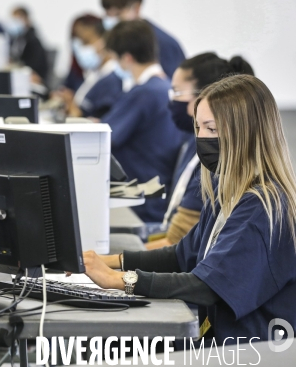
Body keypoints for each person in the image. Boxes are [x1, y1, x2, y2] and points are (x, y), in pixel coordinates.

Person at [82, 74, 296, 345]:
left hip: (249, 351)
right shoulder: (226, 191)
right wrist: (106, 261)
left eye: (212, 129)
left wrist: (119, 280)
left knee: (105, 346)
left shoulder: (262, 208)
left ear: (247, 134)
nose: (202, 138)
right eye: (198, 128)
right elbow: (183, 255)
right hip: (218, 339)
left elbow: (207, 287)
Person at [146, 53, 255, 249]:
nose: (172, 102)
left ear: (204, 95)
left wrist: (117, 264)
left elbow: (177, 244)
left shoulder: (214, 161)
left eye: (178, 93)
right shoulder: (192, 145)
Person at [100, 20, 184, 223]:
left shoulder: (144, 94)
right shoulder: (163, 88)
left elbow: (104, 138)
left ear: (127, 58)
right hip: (156, 193)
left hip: (141, 204)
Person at [101, 0, 185, 79]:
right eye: (108, 16)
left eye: (118, 15)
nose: (113, 22)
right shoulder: (120, 43)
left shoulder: (162, 43)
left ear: (136, 8)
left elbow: (170, 89)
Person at [60, 15, 123, 119]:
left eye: (86, 42)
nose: (82, 49)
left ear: (103, 41)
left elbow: (100, 121)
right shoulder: (95, 74)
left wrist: (73, 108)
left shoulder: (111, 79)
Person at [8, 6, 49, 82]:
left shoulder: (33, 39)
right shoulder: (20, 38)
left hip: (34, 78)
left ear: (25, 19)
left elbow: (35, 65)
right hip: (23, 75)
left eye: (16, 20)